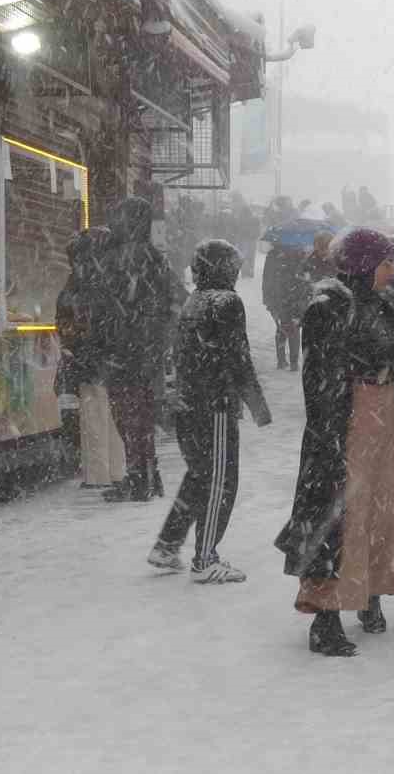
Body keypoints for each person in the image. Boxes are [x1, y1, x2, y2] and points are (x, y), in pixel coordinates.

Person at [276, 228, 394, 656]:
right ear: (365, 264)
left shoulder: (377, 303)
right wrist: (331, 433)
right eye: (386, 262)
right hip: (350, 419)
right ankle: (326, 617)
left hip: (383, 414)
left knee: (384, 508)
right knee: (341, 513)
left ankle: (368, 592)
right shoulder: (329, 307)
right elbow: (320, 379)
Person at [148, 240, 271, 583]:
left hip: (190, 403)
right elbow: (238, 358)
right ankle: (205, 559)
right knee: (221, 480)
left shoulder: (194, 300)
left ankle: (167, 544)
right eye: (232, 264)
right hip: (214, 405)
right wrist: (257, 404)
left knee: (199, 475)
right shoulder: (226, 302)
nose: (235, 270)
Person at [92, 196, 177, 502]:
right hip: (145, 351)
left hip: (124, 351)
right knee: (142, 419)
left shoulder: (119, 258)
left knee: (128, 418)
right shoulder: (156, 257)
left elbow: (102, 307)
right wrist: (158, 342)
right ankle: (149, 477)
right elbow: (172, 303)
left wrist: (106, 343)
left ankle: (139, 478)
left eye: (121, 217)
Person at [55, 227, 125, 489]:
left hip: (91, 357)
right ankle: (117, 470)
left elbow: (71, 316)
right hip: (110, 358)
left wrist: (73, 342)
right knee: (111, 415)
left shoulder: (82, 281)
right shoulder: (112, 277)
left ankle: (97, 474)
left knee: (94, 415)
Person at [262, 243, 306, 371]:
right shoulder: (277, 255)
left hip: (292, 297)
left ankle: (288, 361)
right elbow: (267, 278)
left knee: (290, 327)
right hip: (282, 297)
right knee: (286, 327)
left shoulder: (298, 254)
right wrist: (267, 298)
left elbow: (267, 279)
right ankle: (286, 361)